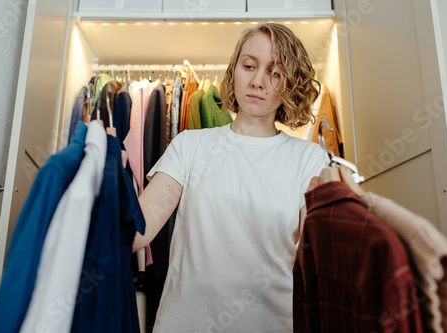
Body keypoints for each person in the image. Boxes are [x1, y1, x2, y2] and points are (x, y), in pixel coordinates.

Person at [132, 23, 329, 332]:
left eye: (275, 72)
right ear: (234, 70)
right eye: (249, 66)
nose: (258, 81)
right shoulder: (190, 144)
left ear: (290, 84)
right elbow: (137, 229)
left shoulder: (309, 159)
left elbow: (318, 251)